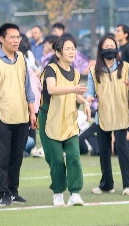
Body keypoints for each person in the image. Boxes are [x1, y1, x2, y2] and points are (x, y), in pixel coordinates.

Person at [0, 23, 37, 207]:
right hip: (0, 114)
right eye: (12, 37)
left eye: (18, 37)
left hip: (21, 114)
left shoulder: (21, 59)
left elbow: (28, 88)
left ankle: (13, 191)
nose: (16, 40)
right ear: (1, 39)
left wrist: (32, 112)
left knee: (17, 156)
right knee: (2, 157)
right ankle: (3, 193)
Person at [39, 35, 91, 207]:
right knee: (56, 159)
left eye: (73, 49)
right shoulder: (51, 69)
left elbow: (74, 95)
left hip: (69, 118)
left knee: (74, 156)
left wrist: (85, 102)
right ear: (58, 53)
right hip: (50, 118)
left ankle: (75, 193)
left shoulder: (75, 72)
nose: (71, 52)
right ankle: (58, 193)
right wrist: (73, 89)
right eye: (67, 49)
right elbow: (52, 89)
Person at [86, 35, 129, 195]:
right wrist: (87, 100)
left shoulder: (126, 68)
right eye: (106, 47)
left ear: (116, 49)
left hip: (121, 115)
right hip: (103, 117)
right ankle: (107, 184)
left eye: (112, 46)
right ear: (100, 50)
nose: (109, 49)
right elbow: (90, 92)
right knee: (104, 152)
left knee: (122, 149)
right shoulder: (94, 71)